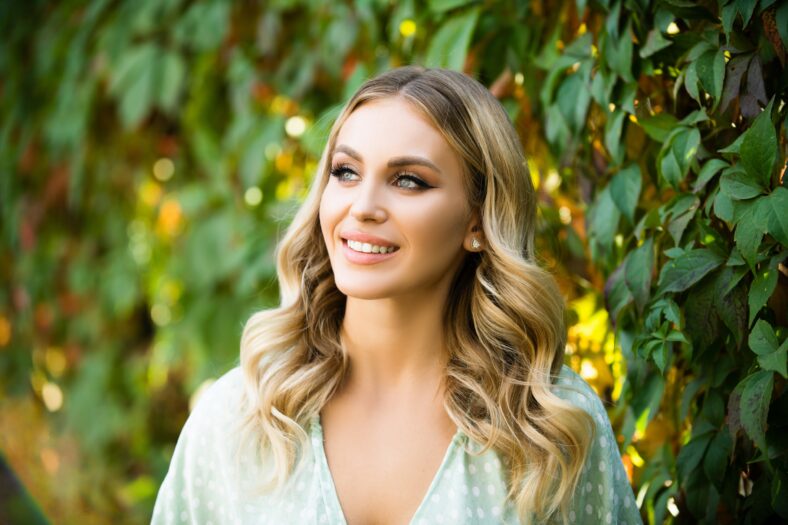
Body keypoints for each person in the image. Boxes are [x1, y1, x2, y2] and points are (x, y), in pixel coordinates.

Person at [151, 66, 643, 525]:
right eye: (346, 172)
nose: (362, 207)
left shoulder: (552, 426)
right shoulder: (238, 418)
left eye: (408, 181)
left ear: (477, 220)